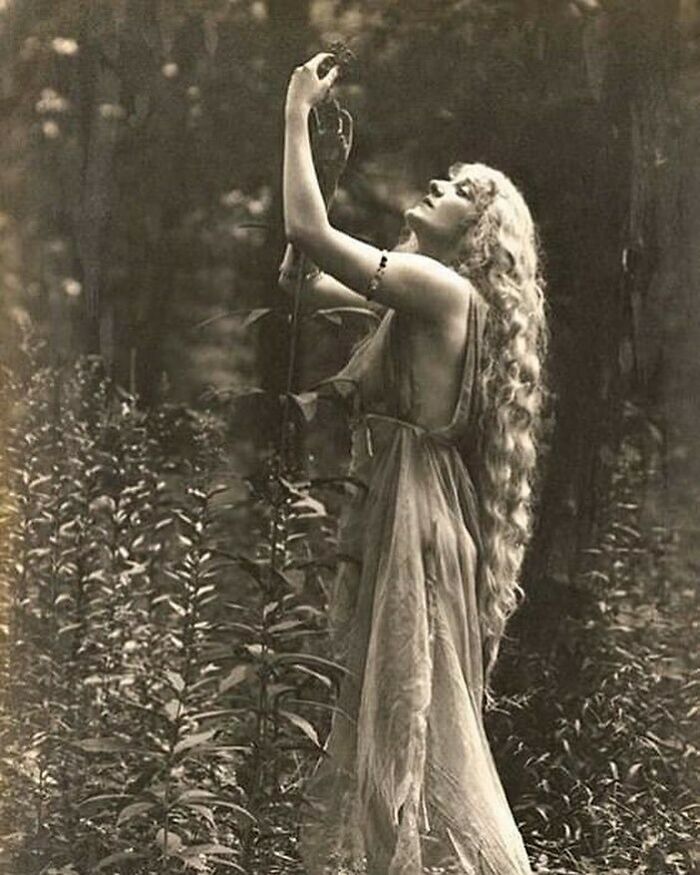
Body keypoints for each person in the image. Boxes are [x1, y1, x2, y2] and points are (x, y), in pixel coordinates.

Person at [279, 52, 549, 875]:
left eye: (460, 189)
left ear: (478, 233)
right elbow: (301, 280)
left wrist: (295, 111)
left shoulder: (440, 290)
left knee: (412, 728)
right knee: (391, 725)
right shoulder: (423, 296)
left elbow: (309, 235)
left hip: (416, 523)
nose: (438, 185)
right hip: (404, 510)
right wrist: (324, 170)